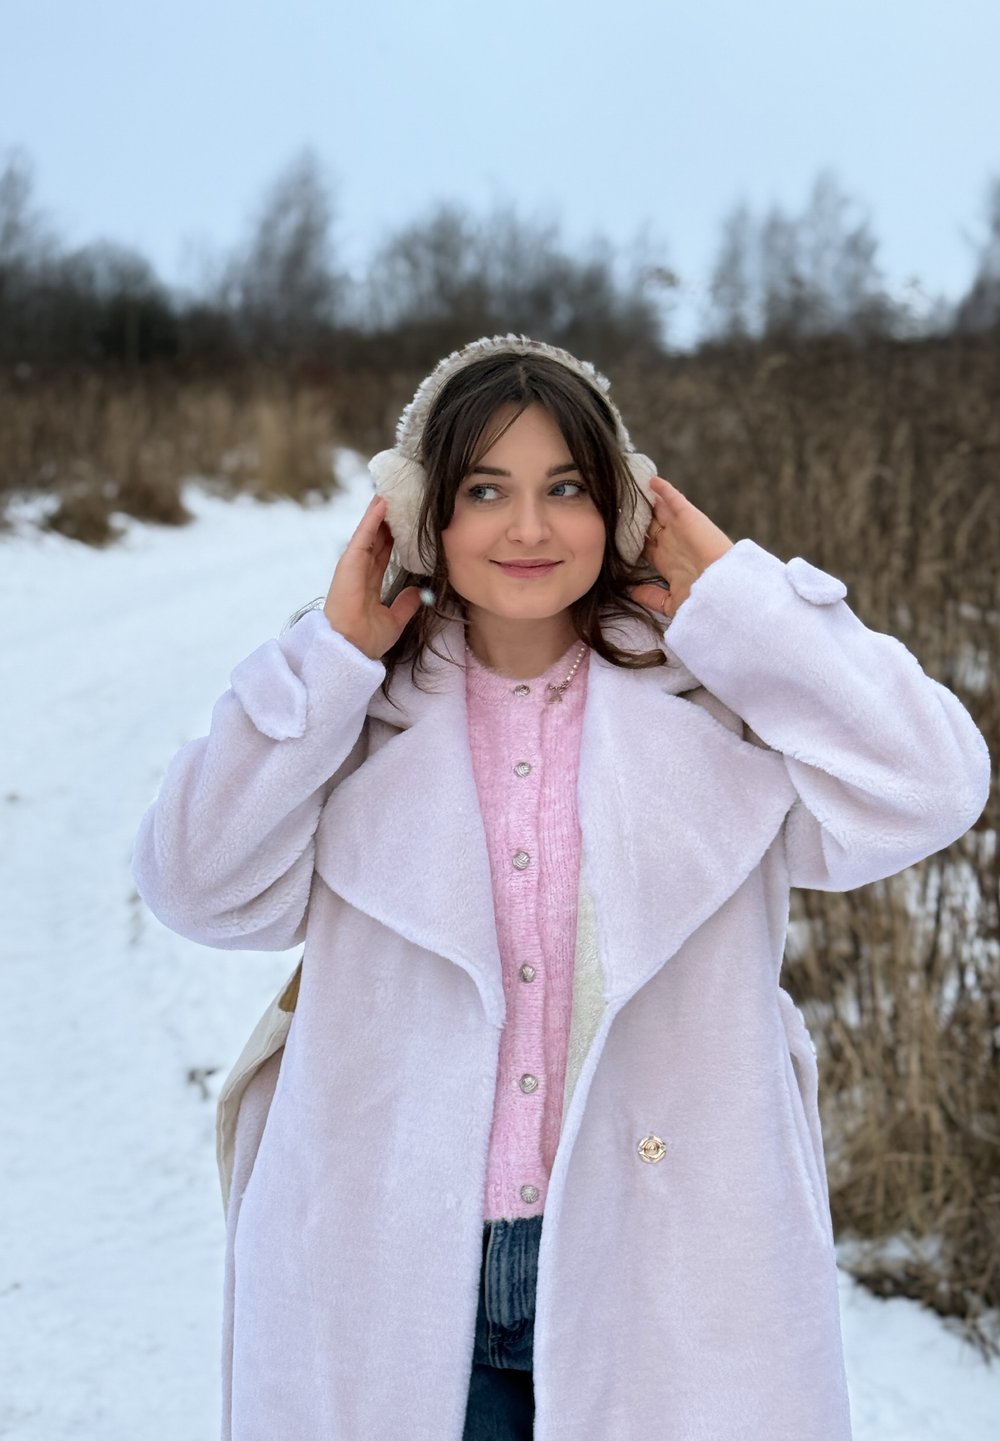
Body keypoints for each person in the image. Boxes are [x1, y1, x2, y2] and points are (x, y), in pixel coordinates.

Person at [132, 334, 990, 1441]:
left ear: (625, 506)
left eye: (566, 488)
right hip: (393, 1270)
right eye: (484, 489)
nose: (527, 529)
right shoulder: (350, 715)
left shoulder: (719, 703)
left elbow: (930, 783)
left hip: (668, 1273)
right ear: (420, 512)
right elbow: (194, 883)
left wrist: (738, 596)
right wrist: (331, 653)